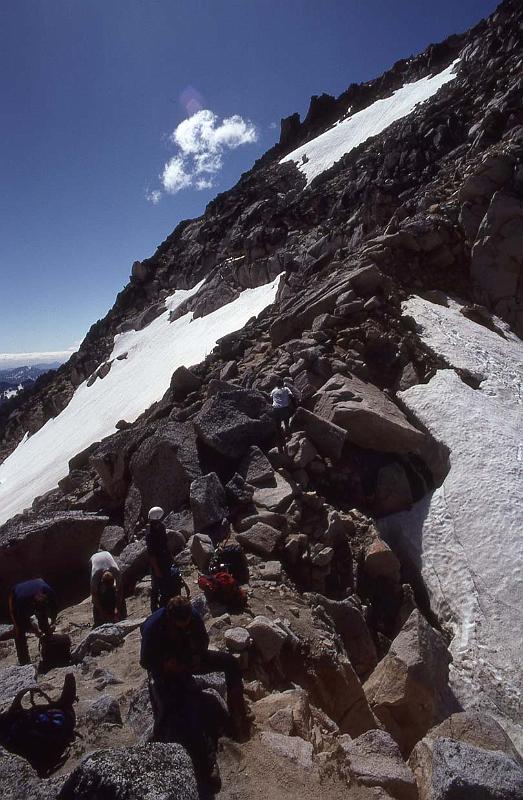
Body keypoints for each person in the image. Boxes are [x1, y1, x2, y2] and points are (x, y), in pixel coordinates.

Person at [140, 596, 252, 742]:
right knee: (170, 704)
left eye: (187, 624)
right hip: (165, 666)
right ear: (169, 616)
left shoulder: (192, 615)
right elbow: (145, 661)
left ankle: (238, 716)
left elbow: (202, 641)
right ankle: (164, 739)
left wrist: (197, 656)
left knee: (230, 662)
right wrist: (164, 664)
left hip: (188, 658)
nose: (185, 628)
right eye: (180, 626)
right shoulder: (153, 626)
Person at [8, 579, 58, 666]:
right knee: (19, 630)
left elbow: (54, 607)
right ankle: (24, 661)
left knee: (43, 617)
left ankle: (50, 648)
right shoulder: (21, 601)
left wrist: (52, 621)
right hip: (14, 595)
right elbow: (23, 621)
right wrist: (36, 631)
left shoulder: (49, 591)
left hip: (38, 583)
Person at [146, 506, 174, 613]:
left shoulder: (161, 527)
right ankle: (155, 609)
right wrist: (156, 569)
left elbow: (165, 544)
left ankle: (167, 602)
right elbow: (151, 554)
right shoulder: (150, 534)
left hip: (165, 559)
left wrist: (171, 556)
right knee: (156, 586)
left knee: (166, 582)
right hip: (157, 562)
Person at [90, 550, 125, 627]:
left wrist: (117, 608)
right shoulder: (95, 577)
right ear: (102, 583)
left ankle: (122, 615)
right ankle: (98, 620)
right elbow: (94, 597)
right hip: (94, 558)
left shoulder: (116, 572)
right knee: (98, 598)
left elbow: (120, 591)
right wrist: (102, 612)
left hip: (106, 554)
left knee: (116, 594)